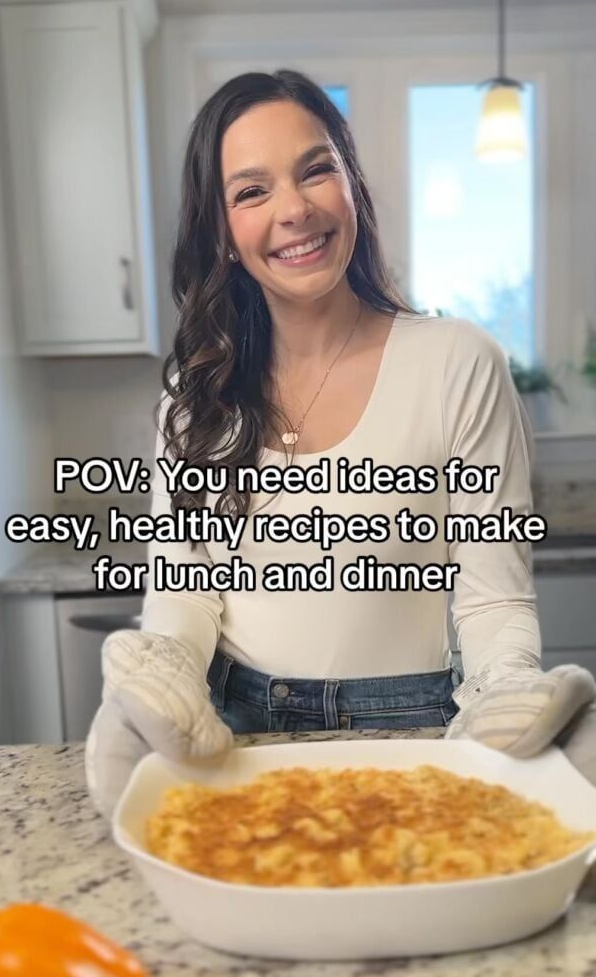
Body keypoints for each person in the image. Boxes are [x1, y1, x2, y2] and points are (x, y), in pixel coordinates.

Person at [85, 70, 595, 817]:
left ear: (351, 185)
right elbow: (185, 591)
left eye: (316, 169)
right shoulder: (195, 398)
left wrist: (512, 692)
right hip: (229, 733)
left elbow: (492, 598)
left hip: (415, 725)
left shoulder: (458, 361)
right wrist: (159, 681)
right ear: (222, 235)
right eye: (251, 192)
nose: (294, 209)